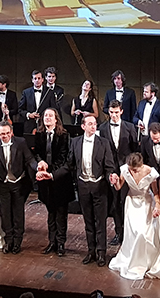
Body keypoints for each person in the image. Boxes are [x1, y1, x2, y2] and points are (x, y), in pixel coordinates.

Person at [45, 113, 117, 265]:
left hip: (100, 187)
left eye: (95, 123)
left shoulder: (104, 143)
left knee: (100, 221)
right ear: (83, 126)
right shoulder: (75, 142)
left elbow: (110, 166)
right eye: (90, 124)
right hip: (83, 186)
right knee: (88, 221)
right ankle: (91, 251)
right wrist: (52, 175)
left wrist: (112, 175)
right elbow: (69, 165)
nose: (93, 126)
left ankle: (101, 252)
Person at [0, 121, 39, 254]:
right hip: (2, 182)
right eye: (2, 134)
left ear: (12, 132)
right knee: (5, 212)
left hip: (19, 182)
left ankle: (17, 241)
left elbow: (29, 159)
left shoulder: (21, 143)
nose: (5, 136)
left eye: (8, 133)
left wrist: (38, 168)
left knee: (18, 212)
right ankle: (9, 241)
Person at [109, 152, 160, 280]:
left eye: (135, 170)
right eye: (131, 169)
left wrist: (157, 206)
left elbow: (155, 192)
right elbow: (119, 187)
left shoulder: (151, 172)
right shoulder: (125, 169)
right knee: (132, 233)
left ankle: (143, 260)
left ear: (141, 165)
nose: (133, 172)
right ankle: (130, 256)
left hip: (145, 204)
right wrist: (114, 182)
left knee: (142, 233)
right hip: (131, 203)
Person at [32, 108, 72, 255]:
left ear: (56, 119)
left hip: (59, 179)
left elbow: (63, 158)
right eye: (45, 116)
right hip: (45, 180)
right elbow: (36, 153)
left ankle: (61, 244)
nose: (47, 118)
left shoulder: (64, 135)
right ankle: (52, 242)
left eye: (50, 116)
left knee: (61, 214)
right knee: (50, 213)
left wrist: (49, 171)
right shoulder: (40, 134)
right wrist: (41, 162)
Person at [99, 98, 139, 244]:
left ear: (121, 111)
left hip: (127, 171)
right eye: (111, 112)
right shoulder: (102, 128)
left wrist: (133, 168)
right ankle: (119, 233)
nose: (114, 115)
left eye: (116, 112)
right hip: (110, 170)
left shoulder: (130, 127)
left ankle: (130, 233)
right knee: (115, 202)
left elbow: (135, 150)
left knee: (126, 202)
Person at [19, 70, 58, 134]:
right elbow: (20, 109)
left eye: (39, 78)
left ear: (42, 79)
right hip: (29, 126)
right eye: (35, 78)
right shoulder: (26, 92)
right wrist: (29, 115)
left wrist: (44, 116)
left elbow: (53, 109)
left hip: (44, 125)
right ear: (32, 80)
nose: (37, 80)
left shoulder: (49, 92)